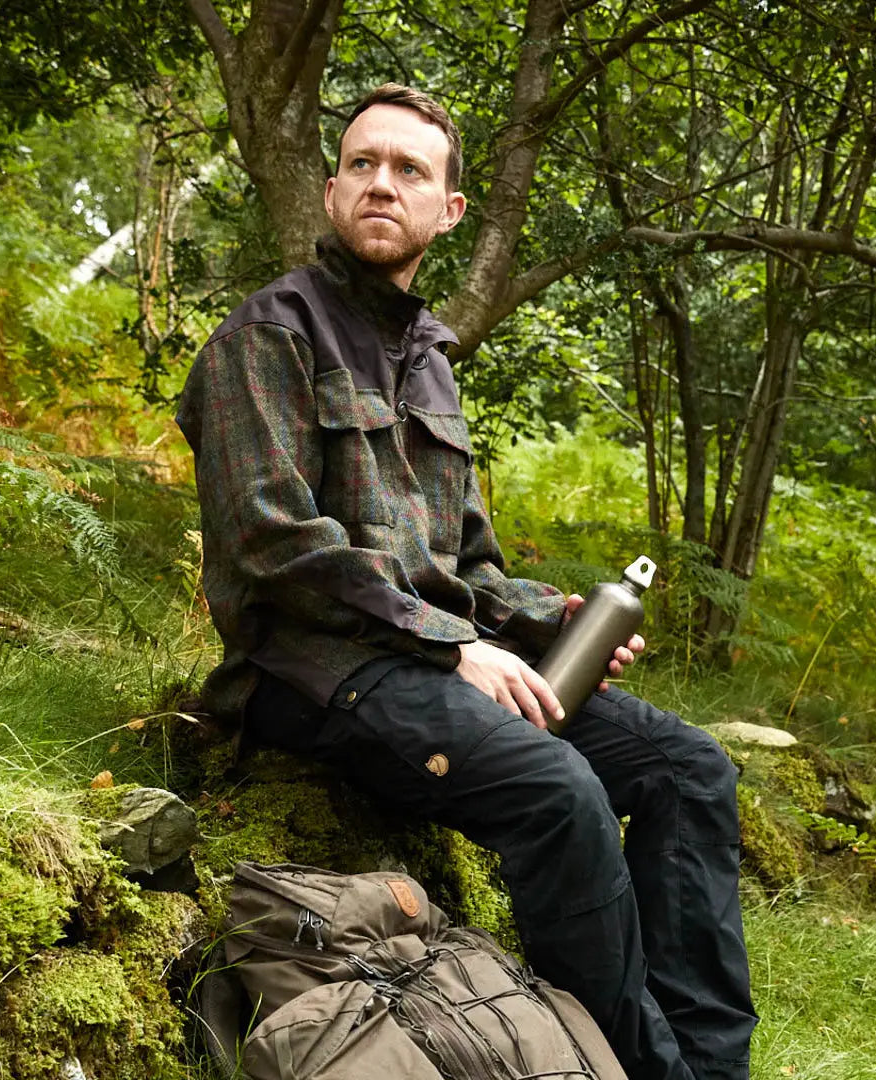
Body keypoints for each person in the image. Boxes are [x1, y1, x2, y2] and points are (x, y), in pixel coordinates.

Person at [176, 83, 757, 1080]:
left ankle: (710, 1069)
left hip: (425, 661)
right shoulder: (268, 335)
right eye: (362, 164)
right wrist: (455, 647)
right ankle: (637, 1068)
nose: (381, 183)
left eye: (408, 169)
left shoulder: (429, 360)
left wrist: (548, 620)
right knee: (560, 793)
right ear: (330, 192)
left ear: (447, 211)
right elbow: (273, 540)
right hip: (310, 671)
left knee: (689, 768)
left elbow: (466, 566)